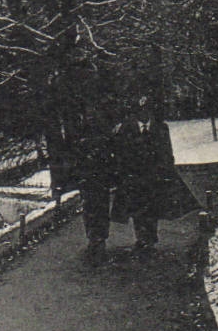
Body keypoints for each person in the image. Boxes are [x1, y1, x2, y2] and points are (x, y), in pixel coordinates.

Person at [109, 95, 180, 251]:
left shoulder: (161, 128)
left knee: (152, 207)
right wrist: (123, 174)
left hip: (154, 176)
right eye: (141, 112)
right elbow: (120, 153)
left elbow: (167, 151)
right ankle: (141, 238)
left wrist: (166, 171)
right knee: (137, 208)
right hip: (134, 177)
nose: (145, 115)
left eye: (147, 111)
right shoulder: (126, 129)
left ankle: (151, 237)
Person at [66, 96, 117, 265]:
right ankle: (93, 237)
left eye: (92, 111)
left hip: (100, 174)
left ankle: (100, 238)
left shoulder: (102, 127)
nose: (90, 114)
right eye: (88, 111)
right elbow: (73, 150)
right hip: (86, 175)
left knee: (101, 207)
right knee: (89, 207)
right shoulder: (78, 128)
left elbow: (109, 146)